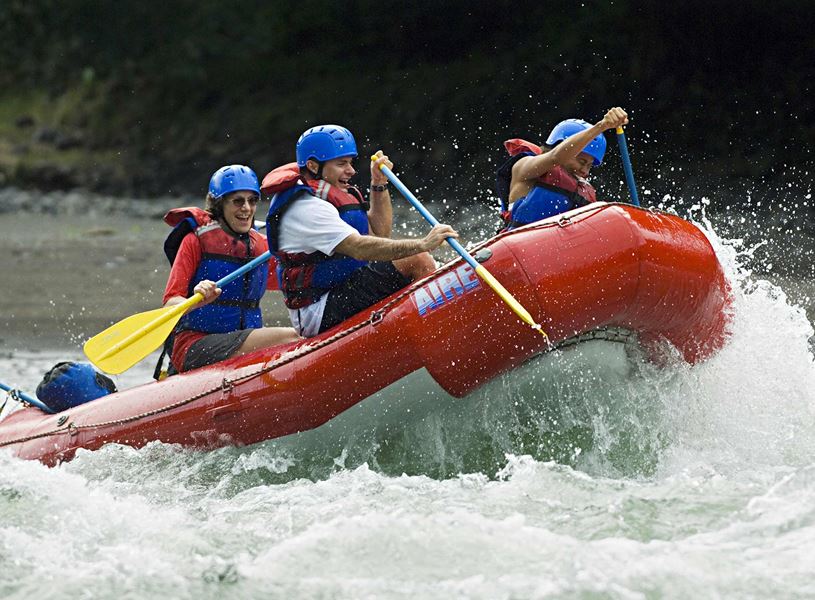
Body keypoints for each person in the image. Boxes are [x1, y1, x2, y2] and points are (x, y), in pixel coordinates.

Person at [261, 124, 458, 337]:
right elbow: (358, 248)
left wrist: (379, 184)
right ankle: (437, 334)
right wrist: (422, 244)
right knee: (417, 259)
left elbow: (379, 233)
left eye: (351, 163)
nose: (351, 171)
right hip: (317, 310)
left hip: (345, 285)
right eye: (341, 164)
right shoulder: (306, 207)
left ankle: (424, 326)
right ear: (313, 165)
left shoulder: (335, 193)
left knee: (415, 258)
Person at [161, 164, 300, 373]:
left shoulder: (262, 246)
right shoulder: (195, 241)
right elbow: (170, 304)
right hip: (195, 345)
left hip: (242, 340)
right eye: (238, 201)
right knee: (294, 336)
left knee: (304, 332)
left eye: (252, 200)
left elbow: (297, 278)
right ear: (219, 205)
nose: (247, 208)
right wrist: (196, 298)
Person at [496, 107, 629, 231]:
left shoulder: (579, 189)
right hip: (518, 248)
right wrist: (602, 126)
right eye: (581, 161)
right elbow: (556, 157)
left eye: (589, 166)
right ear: (558, 146)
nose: (585, 171)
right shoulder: (525, 166)